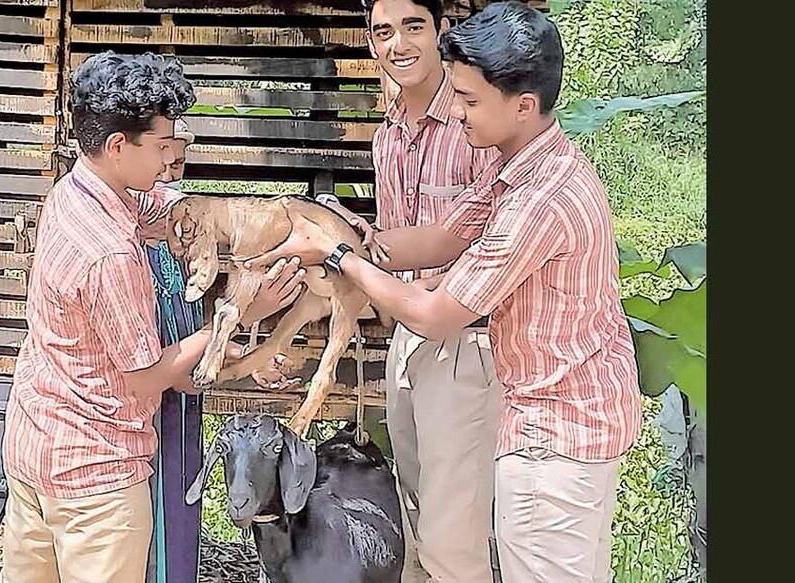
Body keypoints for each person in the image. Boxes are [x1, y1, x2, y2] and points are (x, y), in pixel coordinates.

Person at [247, 3, 643, 582]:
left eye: (471, 101)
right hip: (541, 420)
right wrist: (342, 235)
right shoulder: (517, 167)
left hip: (552, 433)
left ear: (523, 106)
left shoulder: (539, 200)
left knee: (468, 549)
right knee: (435, 528)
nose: (458, 112)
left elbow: (435, 312)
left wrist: (335, 258)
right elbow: (440, 238)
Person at [0, 51, 306, 583]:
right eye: (162, 146)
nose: (171, 160)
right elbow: (147, 377)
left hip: (35, 446)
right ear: (119, 146)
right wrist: (236, 317)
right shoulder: (110, 253)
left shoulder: (76, 193)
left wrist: (261, 221)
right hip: (95, 483)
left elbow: (168, 212)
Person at [318, 0, 501, 580]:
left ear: (442, 30)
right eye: (383, 32)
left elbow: (490, 243)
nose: (398, 45)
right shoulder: (387, 137)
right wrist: (346, 246)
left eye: (414, 27)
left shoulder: (481, 124)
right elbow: (396, 247)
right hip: (405, 338)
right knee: (414, 513)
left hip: (467, 343)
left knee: (459, 532)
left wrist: (355, 260)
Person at [142, 117, 203, 583]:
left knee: (178, 518)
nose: (170, 176)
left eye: (179, 165)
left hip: (183, 408)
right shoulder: (122, 242)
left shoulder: (191, 237)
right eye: (162, 163)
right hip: (142, 404)